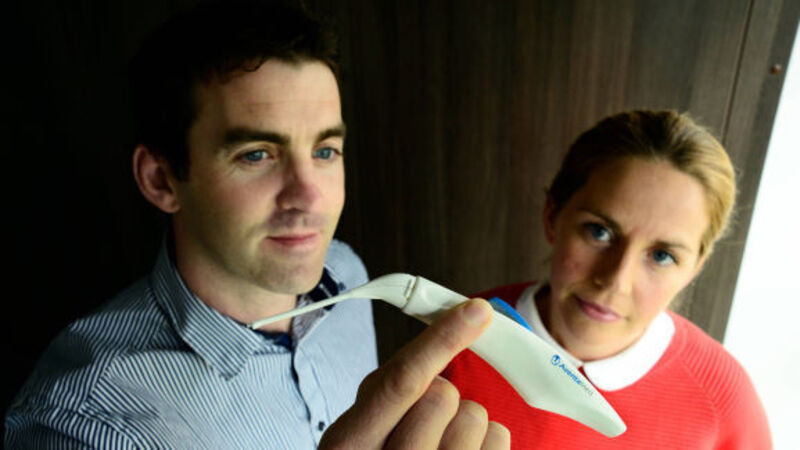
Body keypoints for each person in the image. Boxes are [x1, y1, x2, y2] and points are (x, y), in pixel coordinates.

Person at [5, 1, 509, 448]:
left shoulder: (348, 273)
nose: (309, 197)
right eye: (256, 155)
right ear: (161, 179)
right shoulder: (80, 425)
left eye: (325, 151)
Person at [442, 110, 772, 449]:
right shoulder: (454, 341)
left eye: (662, 256)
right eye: (599, 232)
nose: (616, 281)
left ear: (694, 268)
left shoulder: (722, 398)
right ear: (553, 216)